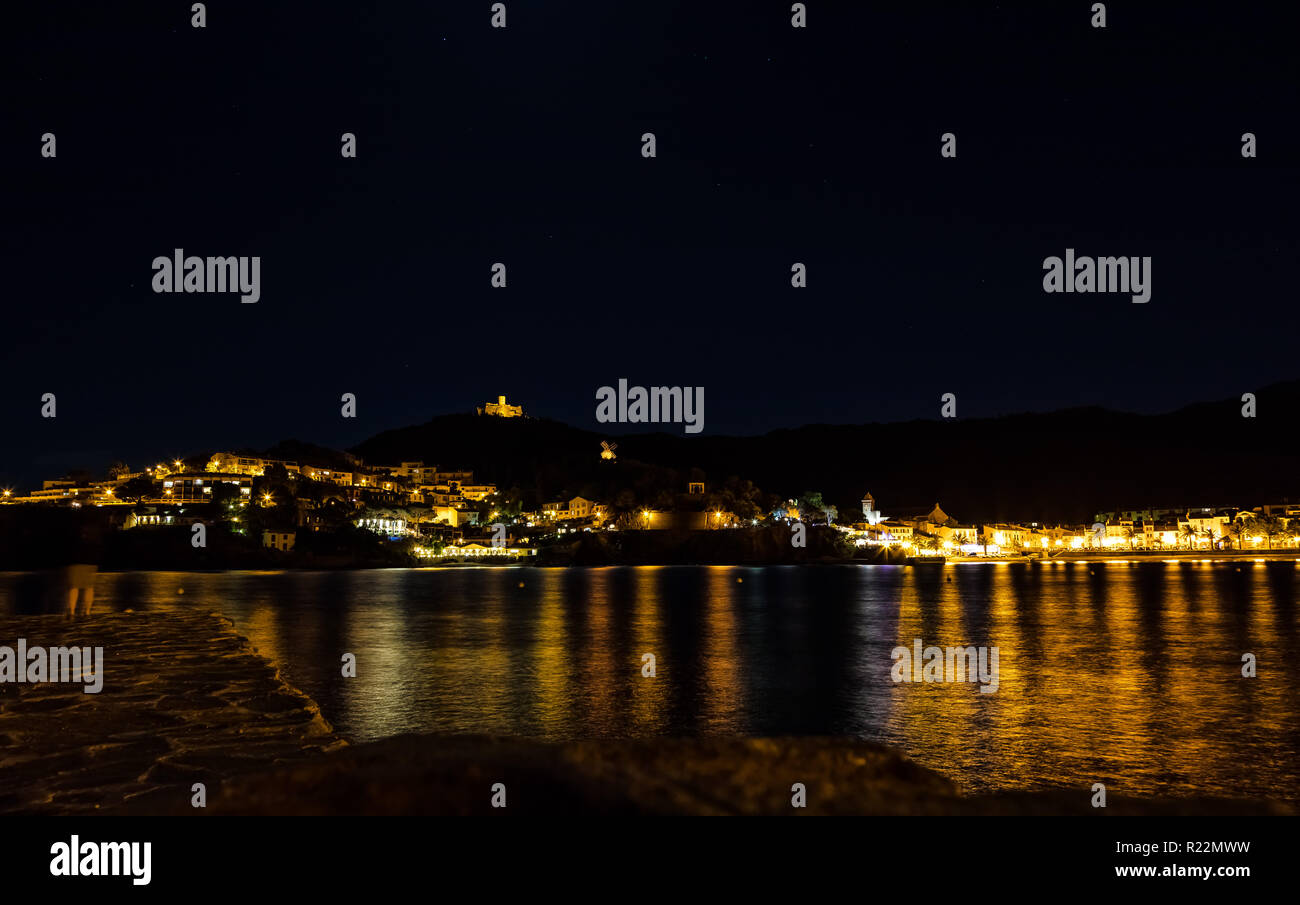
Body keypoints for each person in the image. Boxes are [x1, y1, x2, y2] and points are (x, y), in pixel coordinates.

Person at [59, 514, 104, 618]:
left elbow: (68, 543)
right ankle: (87, 611)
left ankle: (72, 611)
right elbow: (99, 544)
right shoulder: (95, 530)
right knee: (89, 587)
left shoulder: (73, 529)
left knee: (74, 587)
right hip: (91, 561)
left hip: (76, 561)